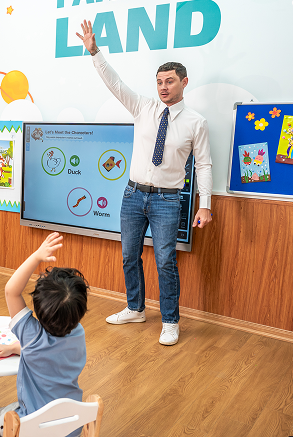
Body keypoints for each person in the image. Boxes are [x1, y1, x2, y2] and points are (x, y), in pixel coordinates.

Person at [76, 20, 213, 346]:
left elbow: (204, 164)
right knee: (129, 256)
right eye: (159, 82)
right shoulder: (143, 107)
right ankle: (136, 308)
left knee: (165, 262)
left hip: (168, 200)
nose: (163, 87)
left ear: (184, 83)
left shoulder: (196, 122)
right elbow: (115, 83)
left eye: (170, 81)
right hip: (133, 195)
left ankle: (170, 321)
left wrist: (205, 205)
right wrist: (95, 52)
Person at [0, 232, 88, 437]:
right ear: (80, 311)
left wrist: (37, 256)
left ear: (38, 308)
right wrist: (14, 348)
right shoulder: (78, 333)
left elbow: (11, 291)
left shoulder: (30, 335)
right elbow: (50, 354)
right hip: (71, 424)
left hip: (32, 427)